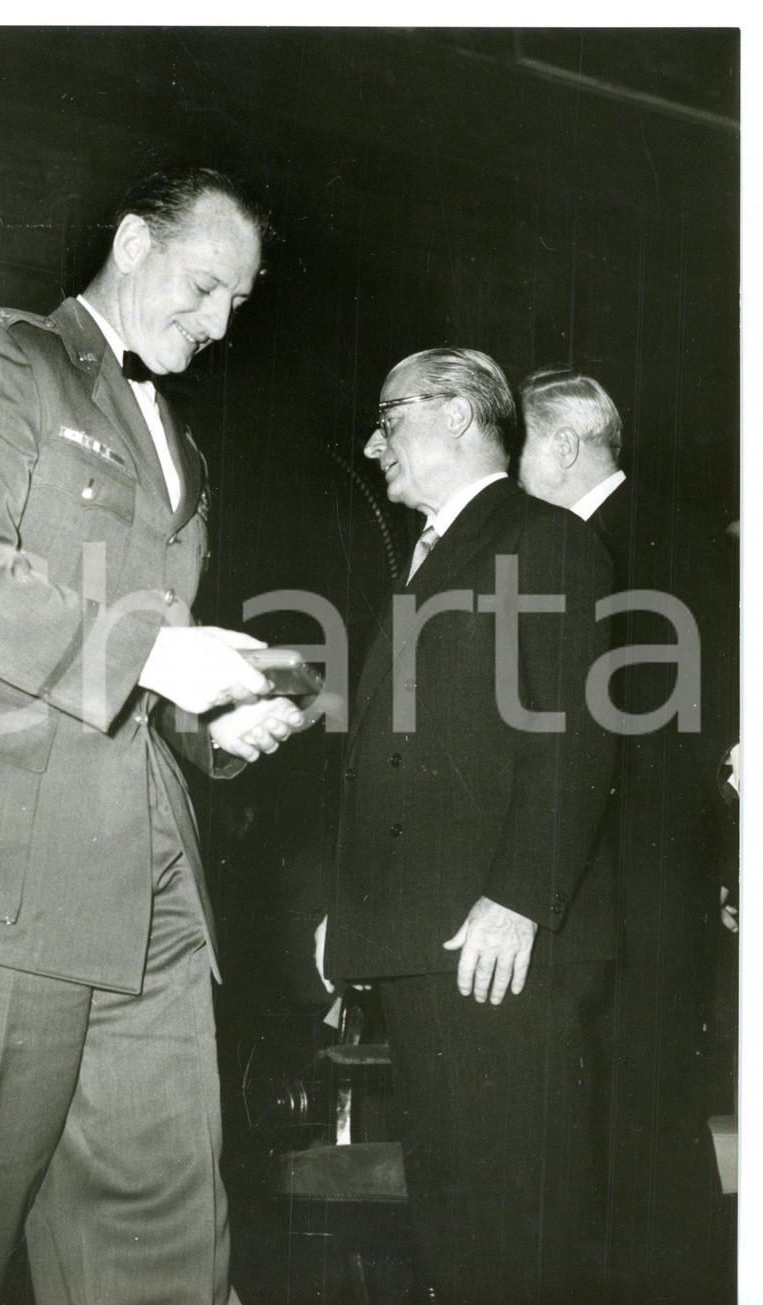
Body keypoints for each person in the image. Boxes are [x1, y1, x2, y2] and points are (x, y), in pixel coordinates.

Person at [0, 166, 305, 1305]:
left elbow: (141, 680)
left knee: (162, 1253)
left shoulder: (180, 447)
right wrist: (149, 655)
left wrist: (217, 722)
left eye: (239, 302)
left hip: (147, 903)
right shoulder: (3, 361)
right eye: (204, 286)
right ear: (133, 243)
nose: (219, 323)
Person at [320, 348, 617, 1304]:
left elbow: (578, 732)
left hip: (497, 945)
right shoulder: (441, 550)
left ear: (455, 415)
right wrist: (352, 907)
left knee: (511, 1237)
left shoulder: (543, 539)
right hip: (429, 945)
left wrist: (519, 897)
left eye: (388, 415)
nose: (373, 444)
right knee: (457, 1236)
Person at [518, 368, 739, 1304]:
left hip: (637, 884)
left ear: (564, 447)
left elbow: (638, 736)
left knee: (638, 1126)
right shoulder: (648, 534)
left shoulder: (624, 547)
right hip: (647, 879)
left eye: (522, 447)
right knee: (640, 1124)